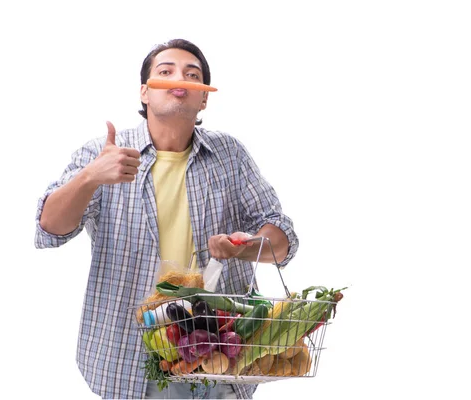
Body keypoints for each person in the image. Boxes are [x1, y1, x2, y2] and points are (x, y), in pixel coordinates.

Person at [34, 38, 299, 399]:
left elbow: (281, 238)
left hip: (220, 355)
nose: (181, 78)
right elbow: (51, 228)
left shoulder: (230, 155)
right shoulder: (104, 154)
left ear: (203, 97)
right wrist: (90, 177)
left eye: (193, 74)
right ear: (145, 92)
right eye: (166, 71)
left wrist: (242, 248)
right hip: (127, 357)